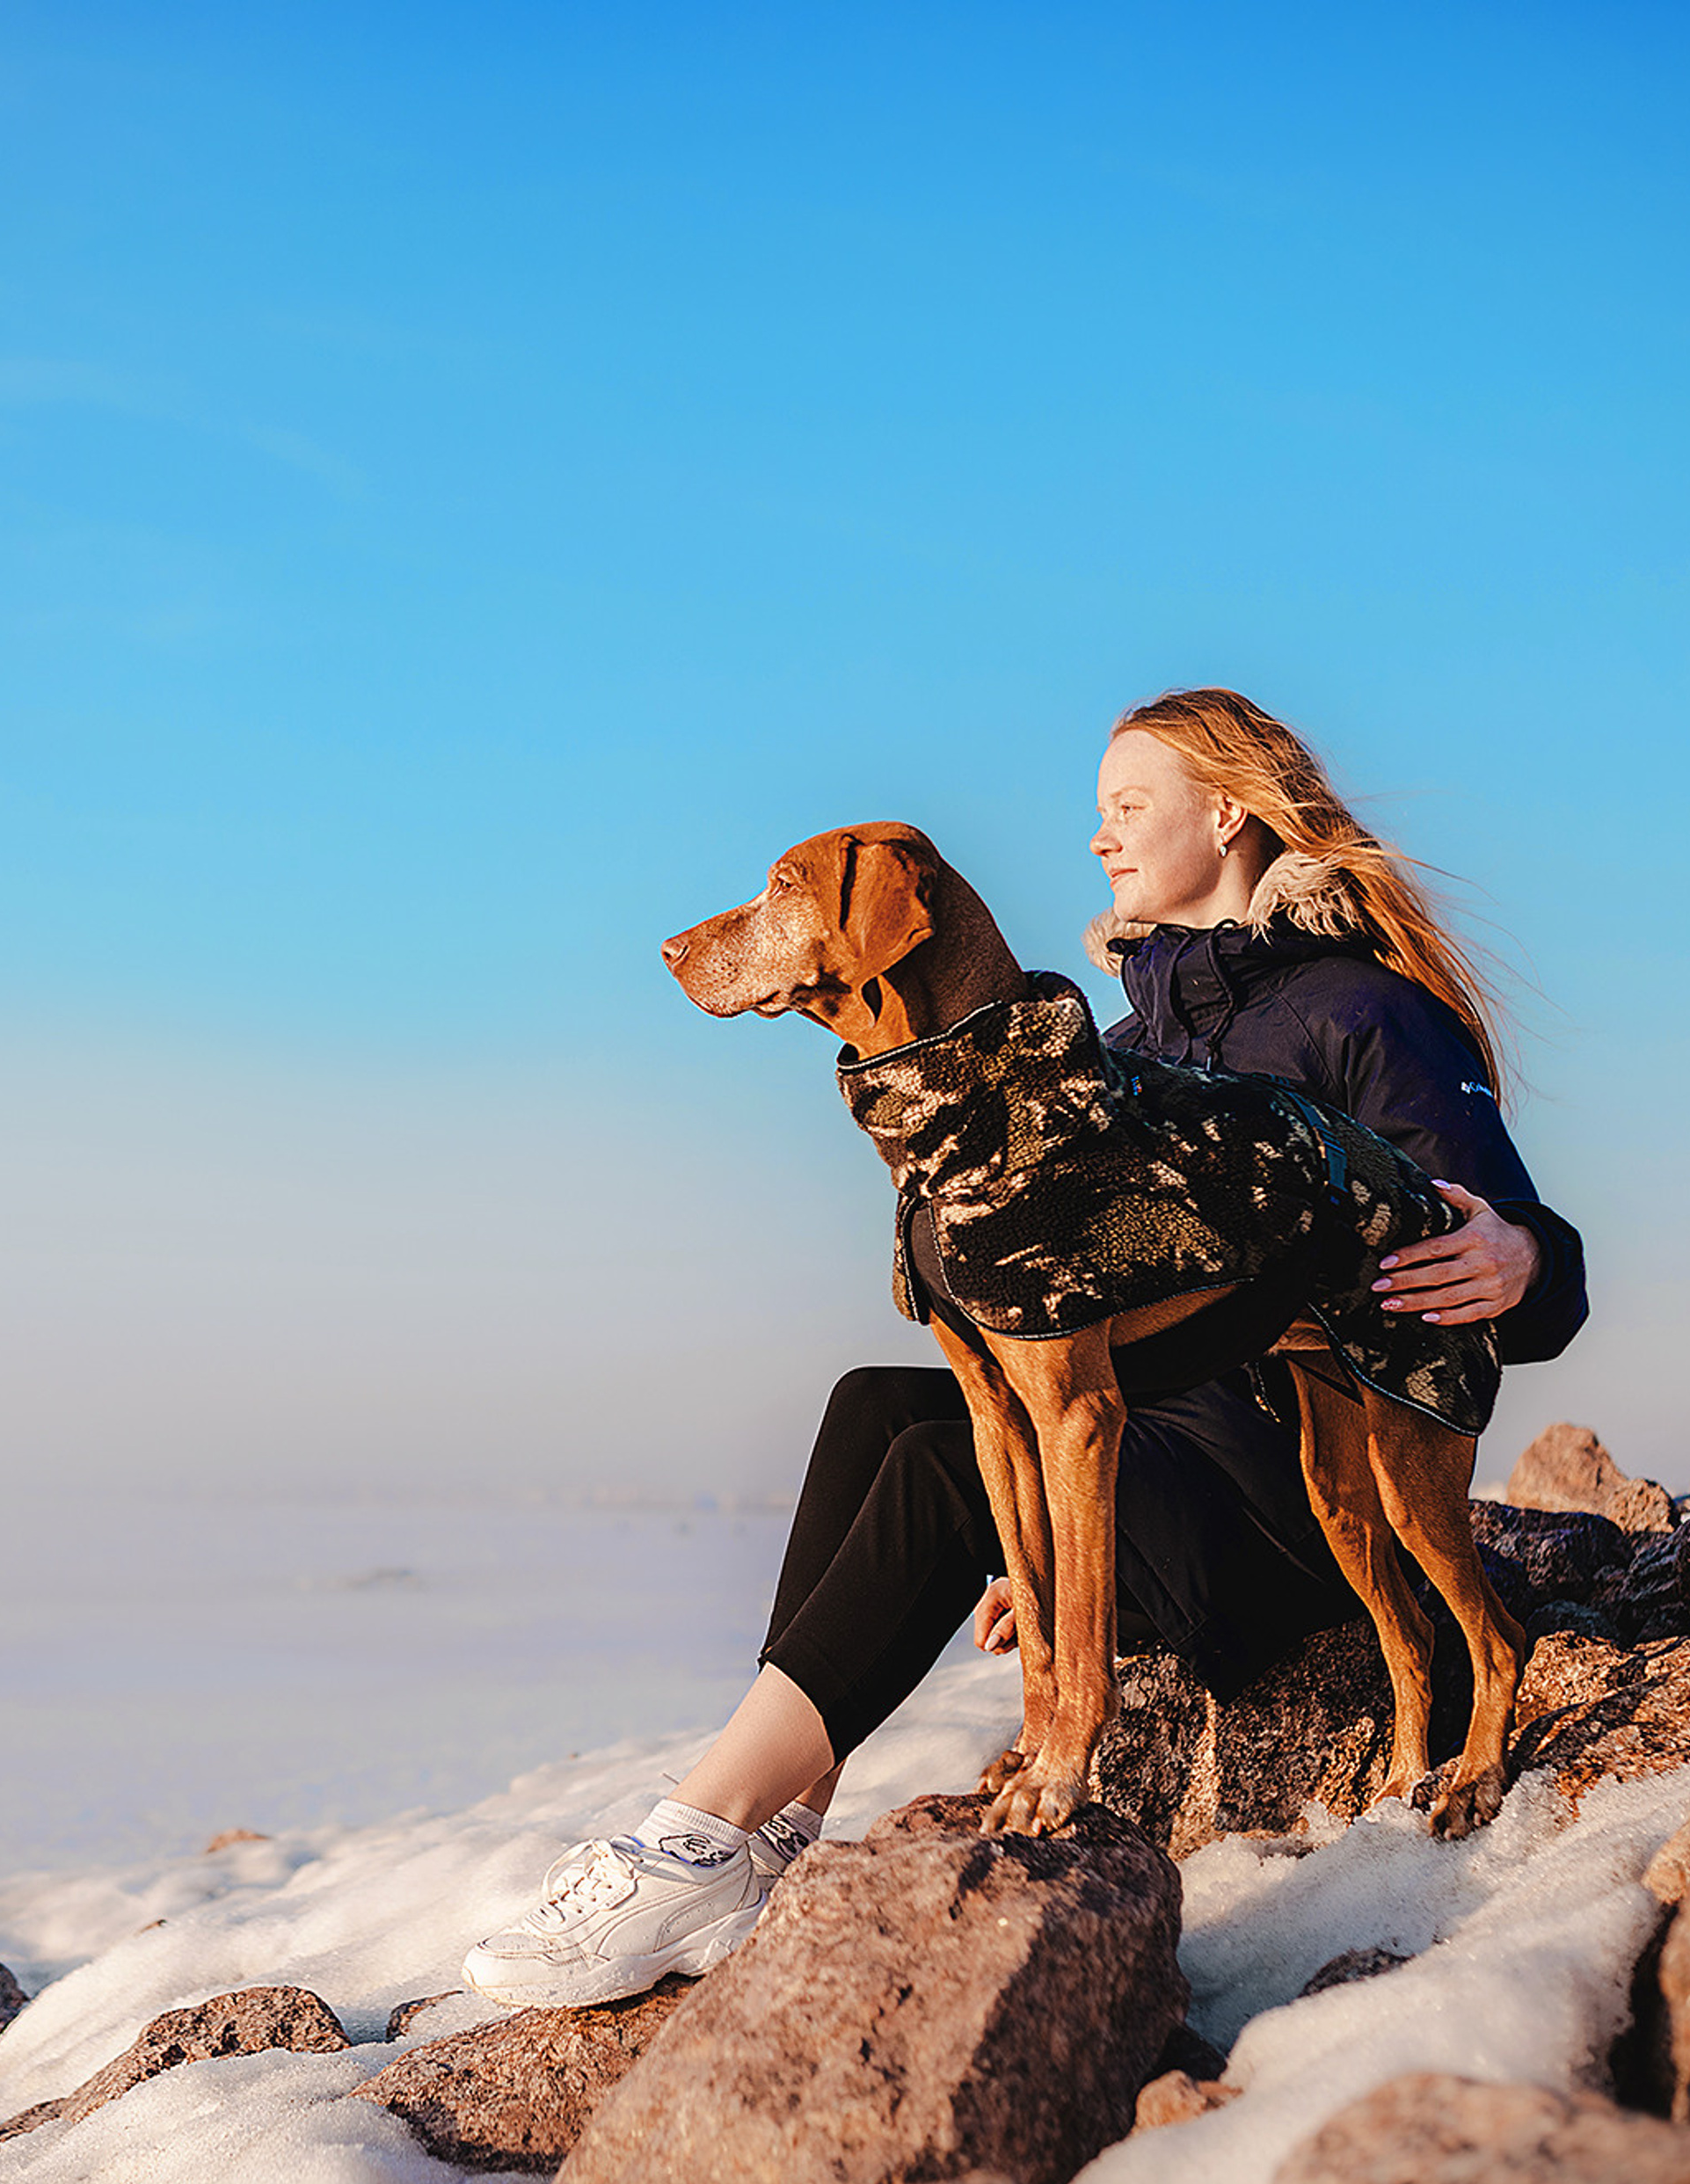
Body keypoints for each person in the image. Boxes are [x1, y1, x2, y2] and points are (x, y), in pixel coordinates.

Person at [460, 687, 1586, 2013]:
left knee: (944, 1472)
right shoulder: (1119, 1048)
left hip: (1269, 1506)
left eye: (1130, 806)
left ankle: (699, 1834)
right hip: (1163, 1462)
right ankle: (780, 1817)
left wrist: (1522, 1255)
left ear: (1232, 815)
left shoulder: (1360, 1011)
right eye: (1096, 812)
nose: (1100, 837)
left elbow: (1498, 1249)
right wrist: (1043, 1537)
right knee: (882, 1405)